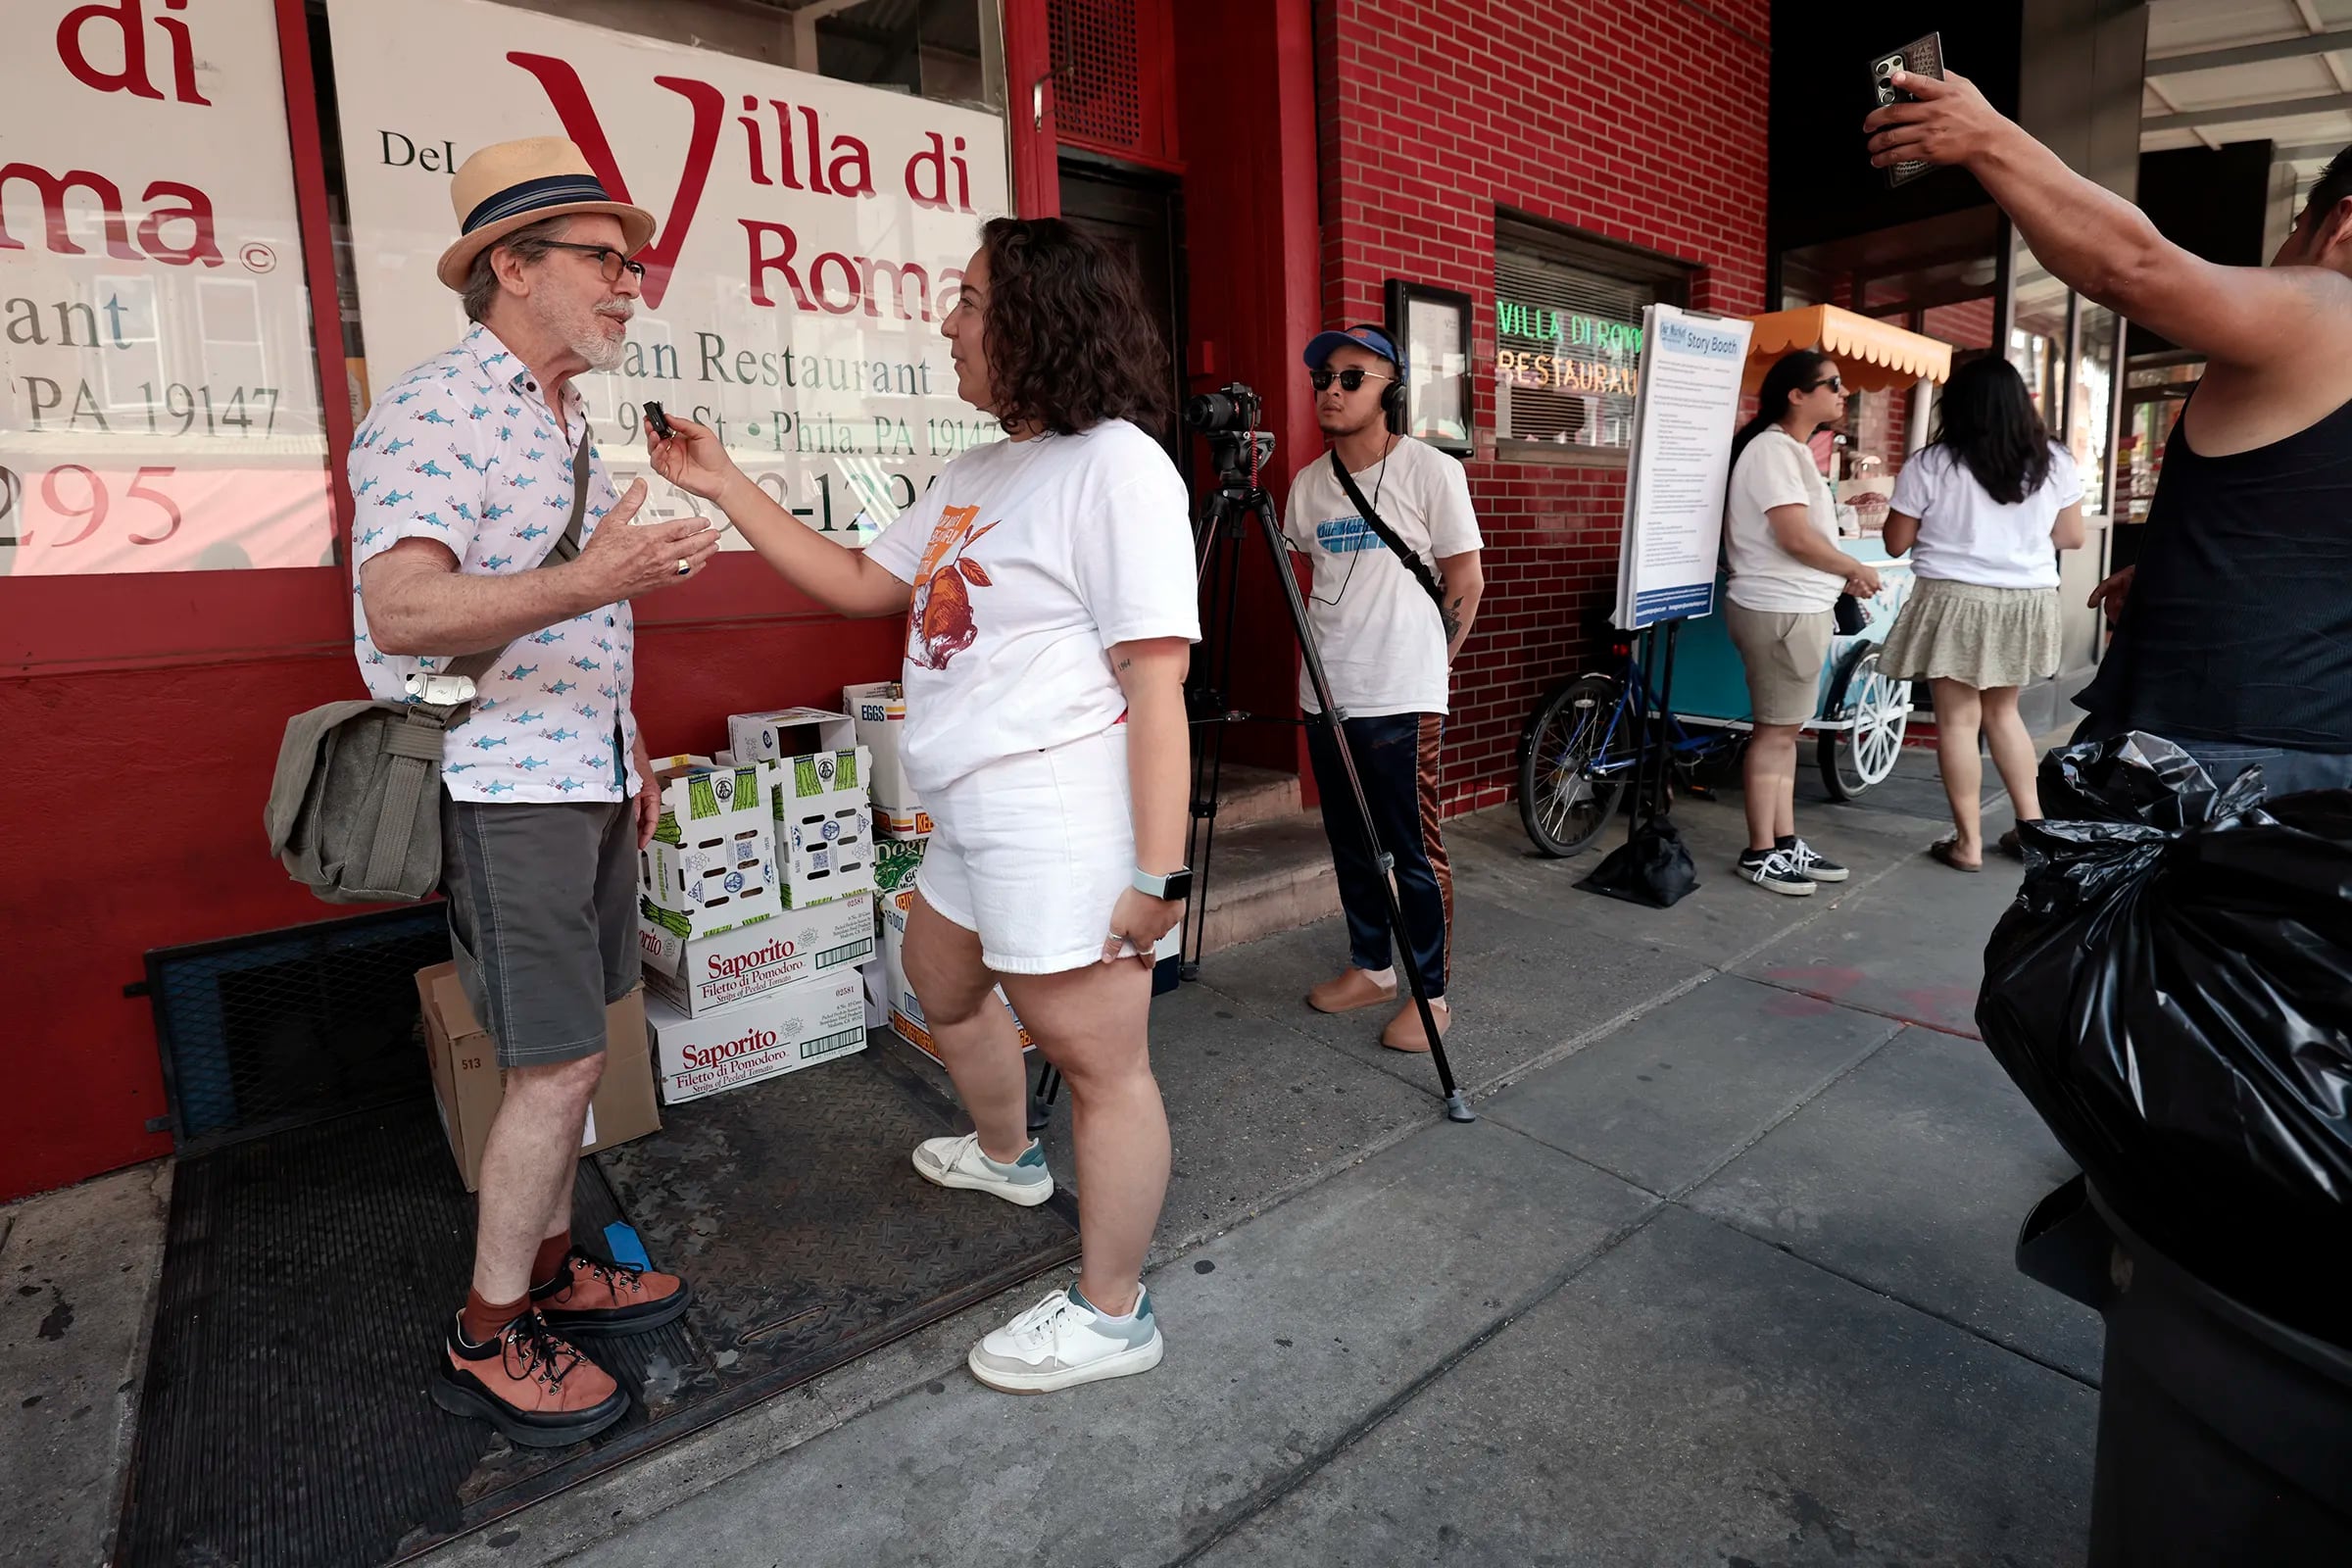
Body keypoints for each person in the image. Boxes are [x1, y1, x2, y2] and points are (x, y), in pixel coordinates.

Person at [646, 217, 1198, 1394]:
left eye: (971, 299)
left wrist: (1158, 877)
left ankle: (1113, 1312)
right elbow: (861, 580)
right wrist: (724, 480)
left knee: (1104, 1067)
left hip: (1057, 811)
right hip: (969, 806)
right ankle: (1009, 1156)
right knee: (941, 982)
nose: (949, 321)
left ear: (1040, 318)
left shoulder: (1120, 466)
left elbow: (1159, 686)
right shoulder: (978, 471)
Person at [353, 138, 717, 1446]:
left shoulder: (556, 417)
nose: (631, 287)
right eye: (605, 261)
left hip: (579, 779)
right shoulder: (435, 410)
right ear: (512, 265)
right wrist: (597, 578)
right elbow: (399, 611)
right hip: (506, 792)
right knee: (558, 1064)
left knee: (578, 1052)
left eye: (632, 265)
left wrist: (626, 766)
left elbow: (575, 619)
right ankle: (489, 1330)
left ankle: (557, 1265)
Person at [1868, 79, 2352, 794]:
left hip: (2221, 754)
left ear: (2341, 224)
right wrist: (2183, 579)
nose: (2282, 249)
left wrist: (1988, 137)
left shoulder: (2332, 303)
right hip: (2317, 752)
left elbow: (2134, 268)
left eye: (2292, 224)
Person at [1283, 325, 1484, 1053]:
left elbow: (1465, 579)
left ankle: (1431, 994)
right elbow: (1312, 575)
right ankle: (1371, 966)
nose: (1331, 391)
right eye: (1322, 380)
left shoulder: (1432, 472)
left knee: (1414, 848)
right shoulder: (1308, 484)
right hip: (1327, 691)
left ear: (1389, 388)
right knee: (1350, 839)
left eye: (1350, 378)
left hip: (1402, 692)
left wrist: (1434, 663)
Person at [1880, 357, 2085, 870]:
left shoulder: (1931, 464)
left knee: (1957, 720)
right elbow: (2072, 537)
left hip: (1955, 598)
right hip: (2025, 598)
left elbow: (1895, 543)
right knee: (2003, 713)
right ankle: (2033, 830)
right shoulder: (2054, 461)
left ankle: (1968, 843)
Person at [1721, 349, 1882, 895]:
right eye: (1833, 384)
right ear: (1797, 394)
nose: (1843, 393)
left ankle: (1783, 841)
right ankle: (1760, 851)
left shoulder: (1786, 450)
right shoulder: (1772, 451)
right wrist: (1852, 567)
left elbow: (1802, 537)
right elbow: (1794, 537)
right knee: (1774, 734)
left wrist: (1841, 573)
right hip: (1780, 608)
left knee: (1786, 733)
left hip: (1794, 607)